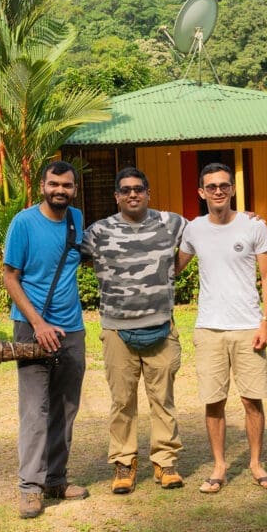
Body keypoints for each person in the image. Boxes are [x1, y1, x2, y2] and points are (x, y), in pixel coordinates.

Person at [80, 167, 187, 495]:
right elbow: (74, 260)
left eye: (138, 189)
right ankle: (124, 463)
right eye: (125, 190)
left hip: (161, 327)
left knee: (162, 399)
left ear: (148, 192)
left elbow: (210, 232)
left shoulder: (172, 224)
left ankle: (165, 461)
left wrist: (244, 219)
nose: (132, 194)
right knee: (122, 400)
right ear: (116, 196)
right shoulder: (97, 232)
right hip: (117, 331)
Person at [177, 163, 267, 493]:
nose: (218, 191)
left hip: (248, 326)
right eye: (211, 186)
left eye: (224, 185)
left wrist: (264, 322)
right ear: (201, 192)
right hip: (209, 327)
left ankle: (255, 463)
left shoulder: (253, 225)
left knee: (252, 400)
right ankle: (219, 466)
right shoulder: (193, 229)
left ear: (233, 189)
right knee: (214, 401)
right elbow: (173, 269)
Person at [3, 160, 89, 519]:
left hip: (72, 329)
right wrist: (38, 324)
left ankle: (56, 479)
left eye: (66, 185)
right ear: (42, 186)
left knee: (66, 407)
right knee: (35, 409)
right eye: (54, 184)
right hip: (32, 327)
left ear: (74, 189)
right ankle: (30, 487)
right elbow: (10, 276)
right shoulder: (23, 223)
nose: (60, 190)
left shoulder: (76, 220)